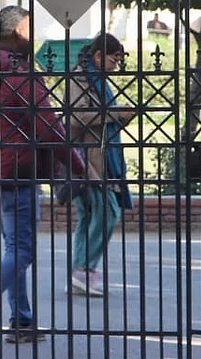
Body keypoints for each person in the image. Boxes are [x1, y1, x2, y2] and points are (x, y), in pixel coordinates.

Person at [0, 6, 90, 347]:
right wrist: (78, 166)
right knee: (23, 251)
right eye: (30, 29)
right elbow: (49, 128)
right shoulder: (21, 73)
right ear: (16, 32)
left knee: (14, 248)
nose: (35, 36)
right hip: (18, 170)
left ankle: (22, 322)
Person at [65, 33, 135, 298]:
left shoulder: (96, 79)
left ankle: (80, 272)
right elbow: (77, 115)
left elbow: (101, 115)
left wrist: (120, 116)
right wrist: (116, 113)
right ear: (97, 56)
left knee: (91, 214)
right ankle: (84, 269)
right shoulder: (81, 78)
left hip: (100, 156)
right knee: (107, 211)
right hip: (88, 159)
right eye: (113, 58)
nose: (116, 64)